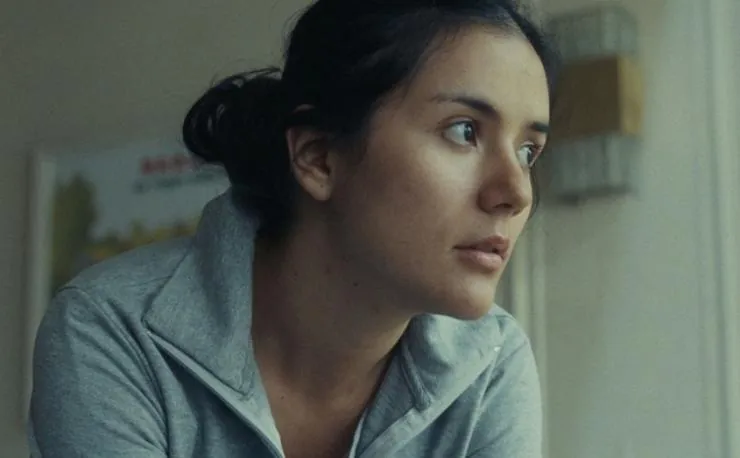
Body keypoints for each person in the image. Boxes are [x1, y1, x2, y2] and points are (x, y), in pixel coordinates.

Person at [28, 0, 559, 457]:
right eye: (464, 131)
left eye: (527, 151)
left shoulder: (490, 362)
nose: (516, 192)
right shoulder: (112, 329)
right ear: (319, 157)